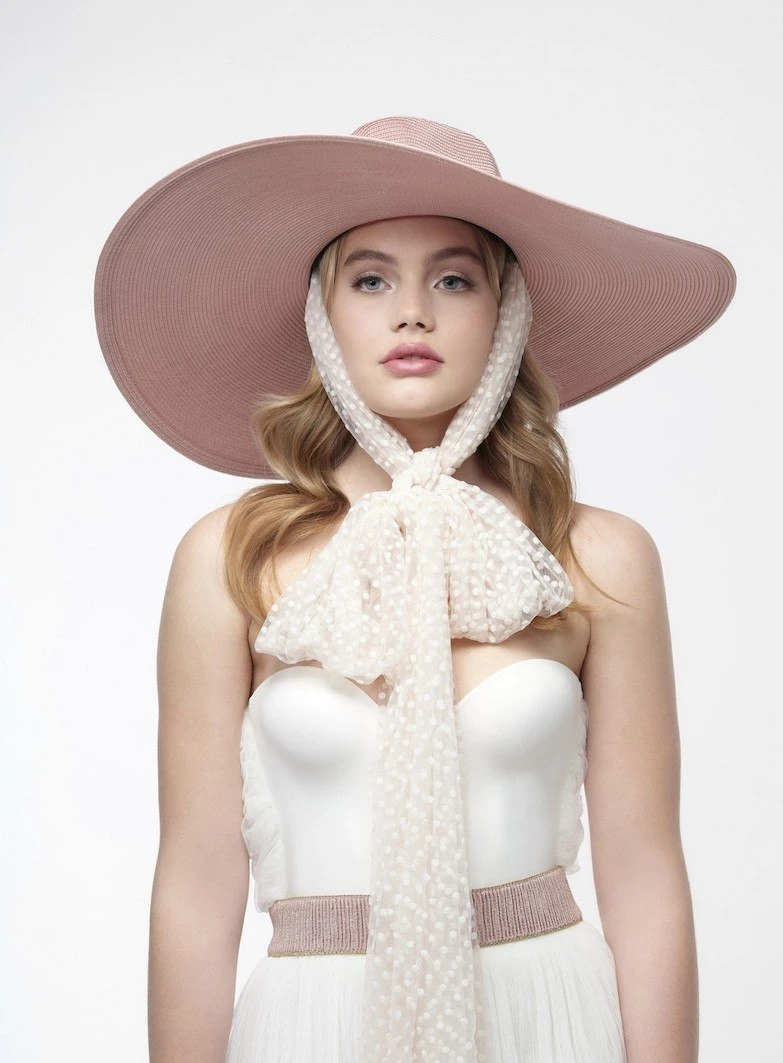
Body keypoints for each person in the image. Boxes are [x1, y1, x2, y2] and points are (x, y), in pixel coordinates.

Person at [94, 115, 736, 1063]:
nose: (411, 313)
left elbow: (644, 876)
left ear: (506, 313)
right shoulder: (229, 557)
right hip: (316, 1026)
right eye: (369, 279)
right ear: (320, 317)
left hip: (544, 1018)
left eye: (453, 278)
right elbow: (194, 884)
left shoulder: (599, 556)